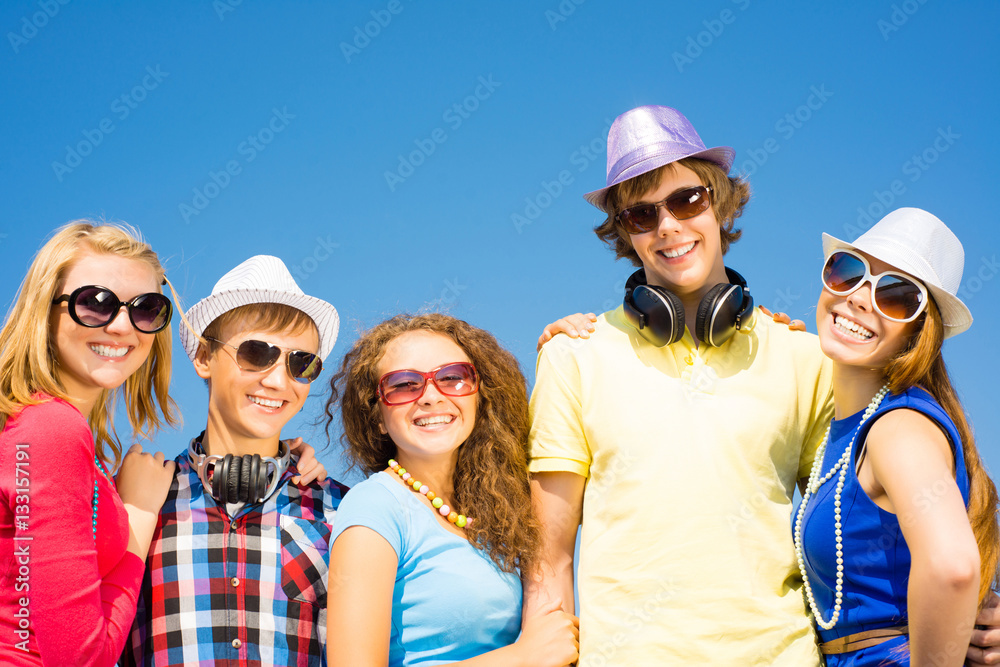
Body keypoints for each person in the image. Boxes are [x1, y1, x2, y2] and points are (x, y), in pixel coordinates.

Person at [524, 106, 1000, 665]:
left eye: (687, 199)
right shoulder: (572, 357)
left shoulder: (807, 356)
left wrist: (982, 606)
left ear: (720, 203)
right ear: (624, 233)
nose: (669, 226)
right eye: (642, 214)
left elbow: (871, 520)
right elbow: (549, 558)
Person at [793, 208, 999, 665]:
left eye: (897, 296)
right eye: (848, 273)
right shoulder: (846, 429)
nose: (862, 299)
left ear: (918, 334)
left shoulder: (898, 428)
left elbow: (953, 567)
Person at [120, 255, 348, 666]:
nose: (278, 380)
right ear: (204, 357)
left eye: (301, 363)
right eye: (257, 353)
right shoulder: (135, 503)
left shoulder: (346, 512)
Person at [324, 313, 579, 666]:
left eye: (452, 378)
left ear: (481, 396)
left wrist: (568, 350)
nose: (430, 396)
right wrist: (521, 658)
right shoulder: (375, 507)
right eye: (403, 384)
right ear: (378, 416)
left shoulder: (493, 511)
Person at [0, 221, 178, 666]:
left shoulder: (38, 427)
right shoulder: (50, 430)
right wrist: (137, 519)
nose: (122, 326)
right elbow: (81, 660)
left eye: (146, 308)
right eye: (94, 303)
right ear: (45, 310)